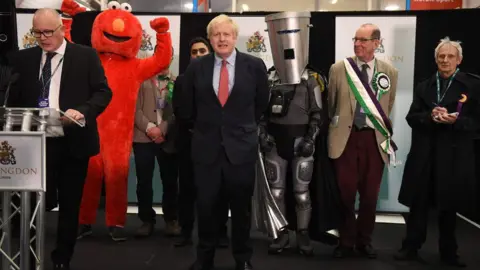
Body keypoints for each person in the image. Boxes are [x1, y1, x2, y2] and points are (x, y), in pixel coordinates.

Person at [4, 8, 111, 270]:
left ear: (62, 29)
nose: (42, 37)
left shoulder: (85, 56)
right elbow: (12, 99)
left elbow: (103, 92)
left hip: (72, 139)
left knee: (70, 204)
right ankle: (28, 255)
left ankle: (62, 258)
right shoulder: (22, 59)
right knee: (31, 203)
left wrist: (82, 111)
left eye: (48, 31)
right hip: (34, 143)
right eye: (37, 32)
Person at [177, 14, 269, 270]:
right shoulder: (197, 67)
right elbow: (187, 107)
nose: (222, 39)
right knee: (205, 208)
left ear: (235, 37)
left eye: (226, 34)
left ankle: (243, 259)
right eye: (216, 34)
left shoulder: (254, 65)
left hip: (241, 150)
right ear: (210, 38)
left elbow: (261, 104)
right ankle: (204, 258)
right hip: (206, 150)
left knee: (241, 210)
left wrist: (241, 127)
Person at [395, 37, 480, 268]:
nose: (445, 60)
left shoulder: (472, 86)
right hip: (425, 155)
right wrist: (430, 117)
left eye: (450, 56)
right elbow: (412, 117)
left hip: (453, 157)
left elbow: (476, 122)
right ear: (435, 59)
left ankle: (449, 253)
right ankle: (410, 247)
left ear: (459, 60)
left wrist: (457, 121)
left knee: (448, 207)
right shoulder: (425, 85)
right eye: (441, 56)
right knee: (418, 205)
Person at [327, 23, 398, 258]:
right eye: (355, 39)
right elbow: (332, 105)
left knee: (370, 196)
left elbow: (388, 106)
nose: (357, 44)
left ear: (377, 43)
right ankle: (345, 241)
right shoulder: (339, 69)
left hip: (373, 140)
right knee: (345, 193)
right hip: (345, 140)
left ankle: (364, 241)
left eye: (364, 40)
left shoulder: (390, 72)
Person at [259, 11, 324, 256]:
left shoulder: (310, 79)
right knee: (276, 192)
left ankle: (303, 234)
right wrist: (263, 135)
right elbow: (260, 113)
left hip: (301, 143)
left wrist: (310, 139)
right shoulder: (269, 78)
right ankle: (281, 233)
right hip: (275, 143)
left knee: (301, 193)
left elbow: (318, 113)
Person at [173, 37, 230, 248]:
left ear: (210, 53)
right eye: (194, 52)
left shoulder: (221, 79)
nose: (198, 55)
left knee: (219, 191)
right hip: (188, 143)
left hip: (216, 144)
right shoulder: (181, 80)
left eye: (202, 51)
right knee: (186, 190)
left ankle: (221, 233)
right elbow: (179, 111)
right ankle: (186, 232)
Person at [133, 49, 180, 237]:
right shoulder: (140, 79)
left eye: (169, 55)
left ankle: (171, 219)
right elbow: (133, 108)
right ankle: (146, 220)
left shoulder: (178, 82)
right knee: (144, 181)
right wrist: (150, 128)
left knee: (170, 181)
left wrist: (163, 128)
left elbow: (180, 110)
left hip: (168, 139)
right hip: (143, 137)